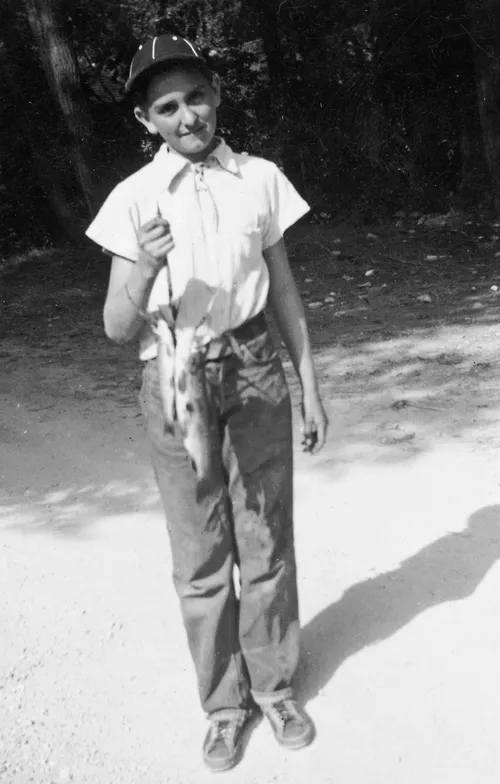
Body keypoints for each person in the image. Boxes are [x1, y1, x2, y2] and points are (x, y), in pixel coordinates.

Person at [85, 33, 328, 773]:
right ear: (145, 121)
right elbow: (115, 327)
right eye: (167, 106)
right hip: (174, 377)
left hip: (253, 364)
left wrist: (309, 385)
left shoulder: (259, 178)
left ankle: (277, 686)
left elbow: (282, 287)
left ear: (216, 94)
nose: (186, 114)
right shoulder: (133, 198)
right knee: (200, 555)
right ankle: (225, 707)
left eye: (195, 97)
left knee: (265, 538)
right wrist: (149, 261)